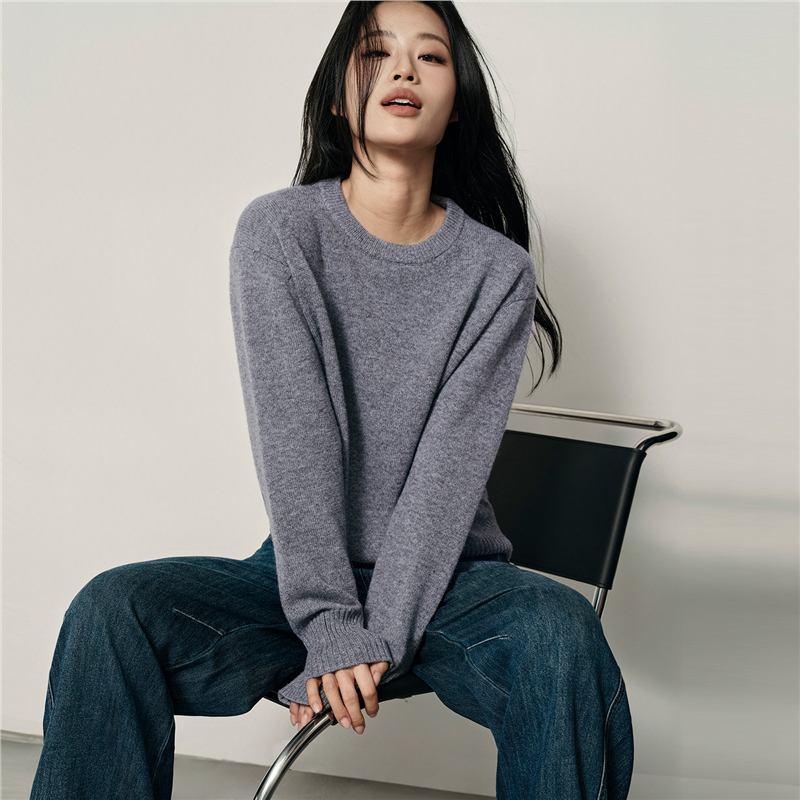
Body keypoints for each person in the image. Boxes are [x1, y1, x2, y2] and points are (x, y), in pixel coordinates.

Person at [30, 2, 633, 798]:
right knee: (112, 612)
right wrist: (330, 623)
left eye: (432, 56)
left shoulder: (497, 274)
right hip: (307, 577)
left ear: (458, 102)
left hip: (452, 581)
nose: (405, 68)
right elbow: (298, 443)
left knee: (561, 635)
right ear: (338, 96)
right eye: (377, 51)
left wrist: (369, 640)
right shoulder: (280, 235)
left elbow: (443, 480)